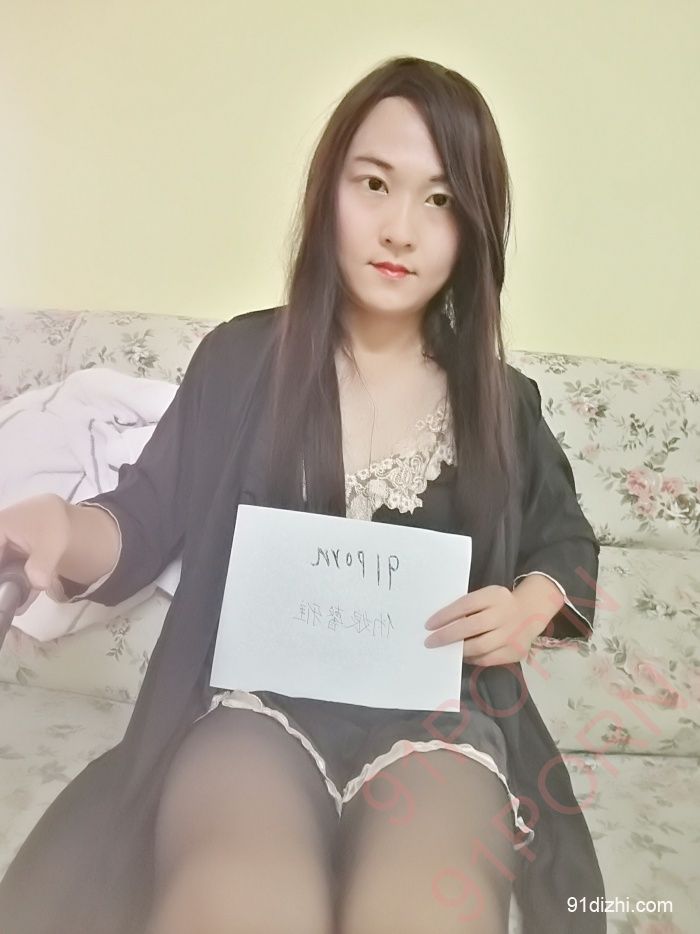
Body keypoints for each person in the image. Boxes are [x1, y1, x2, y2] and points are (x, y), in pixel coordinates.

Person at [0, 56, 606, 933]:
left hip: (439, 722)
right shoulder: (242, 362)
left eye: (440, 200)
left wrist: (531, 602)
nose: (400, 229)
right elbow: (140, 521)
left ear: (475, 227)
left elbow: (565, 540)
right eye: (375, 184)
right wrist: (62, 525)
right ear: (329, 192)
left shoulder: (503, 402)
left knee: (423, 912)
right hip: (255, 713)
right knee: (241, 901)